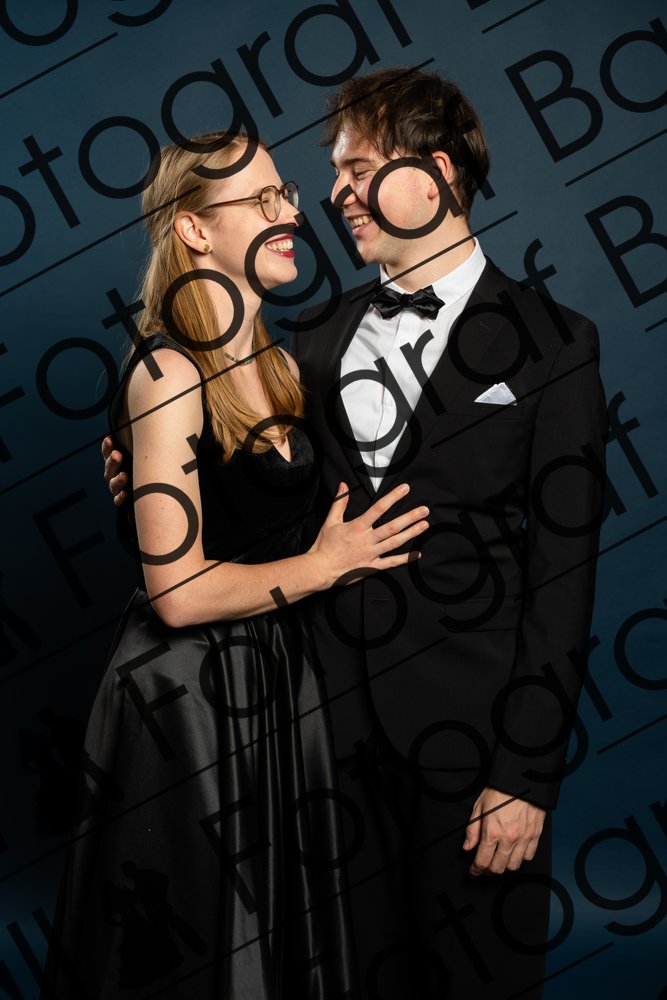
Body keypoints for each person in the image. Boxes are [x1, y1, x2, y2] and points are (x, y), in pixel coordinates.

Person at [106, 70, 608, 999]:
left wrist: (526, 774)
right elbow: (250, 488)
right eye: (334, 172)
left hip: (472, 748)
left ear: (440, 174)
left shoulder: (556, 341)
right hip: (315, 743)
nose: (333, 193)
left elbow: (563, 573)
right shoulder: (306, 345)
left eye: (360, 169)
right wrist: (140, 468)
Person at [47, 129, 429, 1000]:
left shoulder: (283, 365)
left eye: (284, 192)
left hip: (279, 685)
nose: (290, 211)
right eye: (260, 200)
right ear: (193, 229)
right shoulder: (167, 372)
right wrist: (325, 565)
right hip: (187, 707)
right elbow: (177, 595)